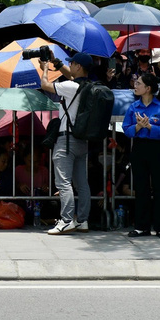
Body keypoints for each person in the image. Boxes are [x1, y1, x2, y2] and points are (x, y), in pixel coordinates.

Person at [39, 52, 94, 234]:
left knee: (63, 182)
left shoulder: (71, 86)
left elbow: (45, 85)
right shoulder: (88, 85)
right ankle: (83, 221)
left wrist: (46, 69)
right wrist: (58, 62)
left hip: (66, 139)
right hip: (81, 139)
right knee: (82, 183)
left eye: (72, 64)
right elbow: (71, 76)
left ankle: (66, 220)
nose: (69, 66)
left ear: (78, 66)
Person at [122, 73, 160, 238]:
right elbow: (126, 128)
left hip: (157, 148)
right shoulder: (134, 107)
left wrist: (150, 126)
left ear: (148, 88)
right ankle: (141, 226)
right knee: (141, 187)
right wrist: (137, 127)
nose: (135, 86)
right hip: (139, 148)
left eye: (139, 83)